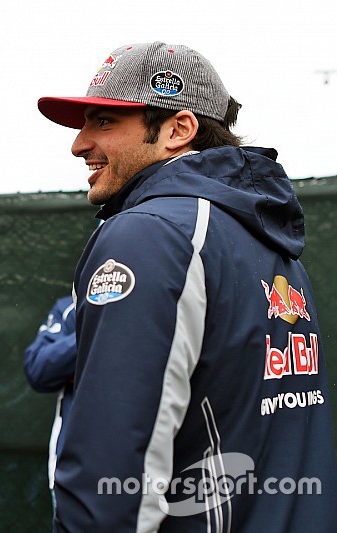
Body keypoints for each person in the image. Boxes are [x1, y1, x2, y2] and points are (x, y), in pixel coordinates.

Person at [37, 42, 337, 531]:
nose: (79, 143)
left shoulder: (152, 233)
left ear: (179, 129)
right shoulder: (268, 239)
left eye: (105, 122)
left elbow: (114, 467)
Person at [22, 295, 76, 514]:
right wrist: (99, 328)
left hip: (147, 468)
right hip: (73, 469)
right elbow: (38, 367)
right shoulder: (71, 307)